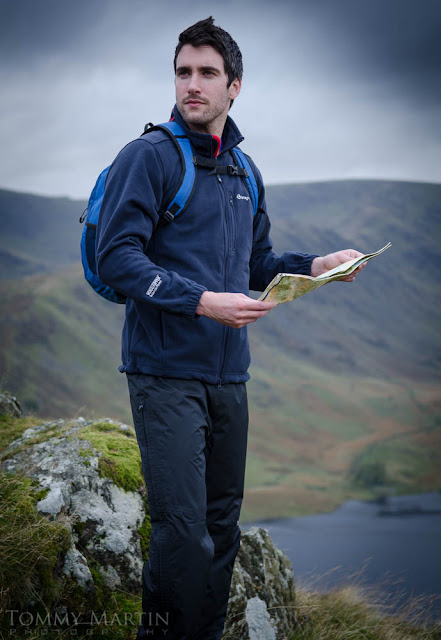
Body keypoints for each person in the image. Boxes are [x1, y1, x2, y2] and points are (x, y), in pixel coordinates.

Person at [96, 16, 365, 640]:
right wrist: (201, 303)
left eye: (207, 73)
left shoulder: (245, 171)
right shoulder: (149, 157)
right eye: (184, 72)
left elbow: (257, 264)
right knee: (181, 532)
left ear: (234, 86)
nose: (193, 84)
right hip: (163, 372)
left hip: (228, 376)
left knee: (220, 529)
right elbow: (117, 256)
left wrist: (316, 265)